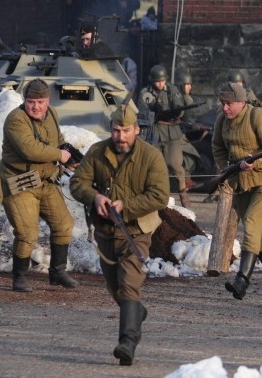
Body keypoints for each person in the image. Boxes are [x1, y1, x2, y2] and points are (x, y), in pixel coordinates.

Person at [69, 104, 169, 366]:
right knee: (117, 290)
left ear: (137, 129)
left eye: (126, 130)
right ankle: (136, 312)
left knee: (128, 284)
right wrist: (95, 197)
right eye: (116, 130)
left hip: (136, 232)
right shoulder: (97, 152)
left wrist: (127, 205)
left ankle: (127, 343)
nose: (120, 136)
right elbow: (77, 183)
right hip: (105, 232)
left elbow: (159, 195)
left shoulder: (151, 156)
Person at [212, 82, 262, 300]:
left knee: (253, 225)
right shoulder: (222, 121)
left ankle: (242, 280)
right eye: (222, 103)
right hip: (241, 180)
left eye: (228, 104)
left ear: (241, 102)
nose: (224, 108)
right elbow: (217, 147)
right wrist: (225, 171)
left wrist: (256, 162)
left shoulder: (259, 117)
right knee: (255, 229)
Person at [0, 78, 78, 292]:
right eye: (31, 101)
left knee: (64, 224)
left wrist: (70, 156)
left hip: (45, 181)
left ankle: (57, 272)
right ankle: (20, 277)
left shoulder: (51, 113)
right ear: (24, 100)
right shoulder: (16, 120)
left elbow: (58, 139)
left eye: (41, 101)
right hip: (20, 183)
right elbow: (30, 150)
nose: (36, 106)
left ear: (48, 100)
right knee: (27, 234)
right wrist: (60, 155)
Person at [139, 65, 191, 208]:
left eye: (162, 81)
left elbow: (179, 108)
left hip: (171, 132)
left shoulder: (172, 90)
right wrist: (153, 110)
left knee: (175, 164)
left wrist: (172, 113)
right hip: (154, 133)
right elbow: (142, 112)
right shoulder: (146, 92)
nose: (160, 84)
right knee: (155, 166)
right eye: (157, 81)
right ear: (152, 81)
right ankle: (158, 196)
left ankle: (183, 194)